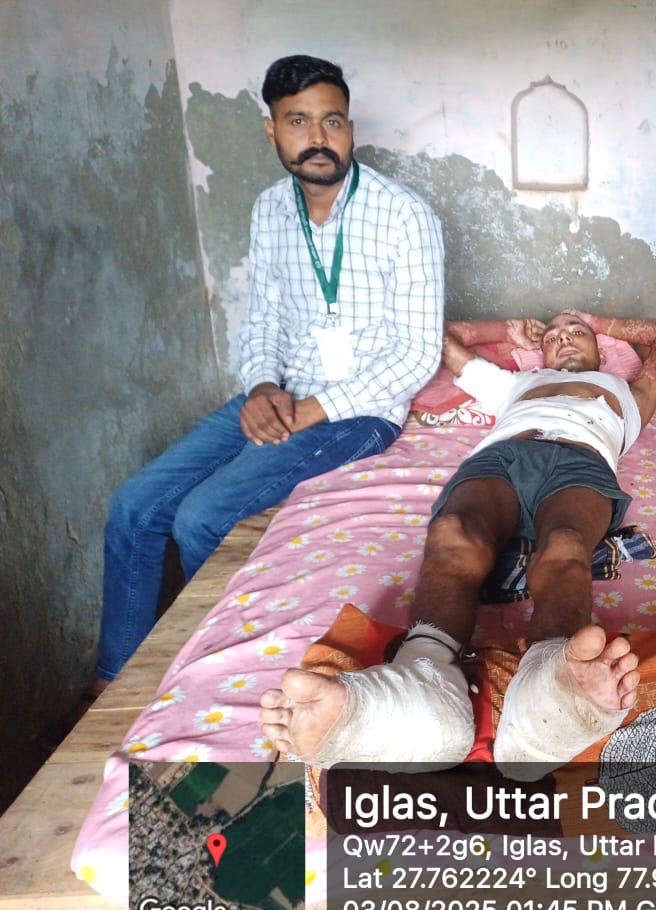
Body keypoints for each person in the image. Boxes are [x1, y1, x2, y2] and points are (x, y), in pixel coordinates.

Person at [94, 55, 444, 690]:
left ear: (351, 129)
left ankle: (218, 677)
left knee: (203, 516)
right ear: (272, 131)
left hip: (358, 412)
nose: (318, 137)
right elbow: (263, 322)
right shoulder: (270, 210)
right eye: (298, 121)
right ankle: (115, 682)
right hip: (281, 394)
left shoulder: (404, 215)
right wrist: (261, 388)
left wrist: (307, 412)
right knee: (135, 506)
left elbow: (416, 354)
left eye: (332, 121)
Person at [259, 309, 656, 776]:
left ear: (600, 349)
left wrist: (592, 320)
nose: (563, 338)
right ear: (540, 354)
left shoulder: (628, 393)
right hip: (501, 458)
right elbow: (440, 337)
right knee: (454, 530)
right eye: (553, 337)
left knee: (565, 544)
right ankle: (427, 690)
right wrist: (508, 331)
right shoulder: (518, 383)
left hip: (582, 460)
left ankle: (549, 698)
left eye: (576, 334)